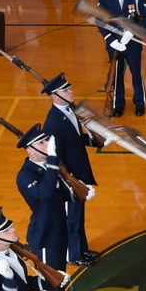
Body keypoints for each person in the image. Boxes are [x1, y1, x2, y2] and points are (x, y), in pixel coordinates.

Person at [15, 124, 81, 291]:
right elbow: (44, 193)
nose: (48, 144)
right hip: (44, 235)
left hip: (57, 230)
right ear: (31, 150)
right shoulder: (26, 175)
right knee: (48, 279)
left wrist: (77, 194)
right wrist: (53, 161)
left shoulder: (46, 167)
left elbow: (60, 193)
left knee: (58, 276)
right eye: (42, 143)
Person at [42, 73, 101, 267]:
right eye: (66, 90)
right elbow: (55, 158)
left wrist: (95, 140)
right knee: (71, 220)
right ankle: (73, 255)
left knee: (78, 218)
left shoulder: (68, 111)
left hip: (79, 174)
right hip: (70, 181)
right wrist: (72, 181)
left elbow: (75, 139)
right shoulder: (53, 124)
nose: (71, 91)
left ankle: (82, 250)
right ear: (55, 96)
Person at [96, 0, 146, 117]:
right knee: (116, 75)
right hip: (114, 43)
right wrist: (110, 40)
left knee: (136, 73)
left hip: (133, 42)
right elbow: (99, 20)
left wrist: (133, 31)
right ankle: (118, 104)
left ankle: (139, 103)